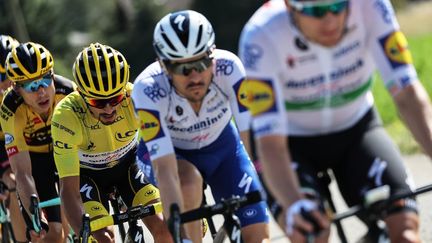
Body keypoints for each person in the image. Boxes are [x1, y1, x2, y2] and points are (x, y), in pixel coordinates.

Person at [239, 0, 432, 242]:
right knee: (312, 232)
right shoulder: (261, 35)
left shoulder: (371, 7)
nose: (330, 20)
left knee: (404, 231)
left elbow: (408, 95)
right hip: (289, 144)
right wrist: (294, 204)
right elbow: (271, 145)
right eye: (316, 11)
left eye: (339, 6)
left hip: (356, 131)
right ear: (290, 7)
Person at [132, 10, 270, 243]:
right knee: (187, 181)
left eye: (202, 62)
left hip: (224, 149)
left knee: (258, 238)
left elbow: (252, 139)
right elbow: (166, 170)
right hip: (173, 156)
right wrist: (179, 230)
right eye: (182, 68)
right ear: (164, 66)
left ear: (213, 55)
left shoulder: (230, 68)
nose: (194, 76)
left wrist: (270, 185)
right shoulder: (147, 89)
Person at [51, 43, 173, 243]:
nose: (108, 109)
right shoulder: (66, 116)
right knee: (103, 239)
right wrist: (83, 232)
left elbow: (166, 154)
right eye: (97, 102)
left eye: (115, 98)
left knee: (165, 228)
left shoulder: (135, 98)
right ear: (81, 95)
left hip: (129, 168)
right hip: (87, 177)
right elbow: (69, 190)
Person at [0, 41, 75, 243]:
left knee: (93, 224)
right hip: (36, 160)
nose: (41, 91)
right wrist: (35, 217)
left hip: (67, 152)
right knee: (53, 233)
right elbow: (23, 173)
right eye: (31, 86)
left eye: (44, 80)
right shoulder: (11, 109)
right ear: (16, 88)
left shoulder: (68, 93)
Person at [0, 34, 27, 243]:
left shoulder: (28, 91)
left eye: (9, 74)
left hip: (23, 140)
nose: (5, 83)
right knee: (13, 182)